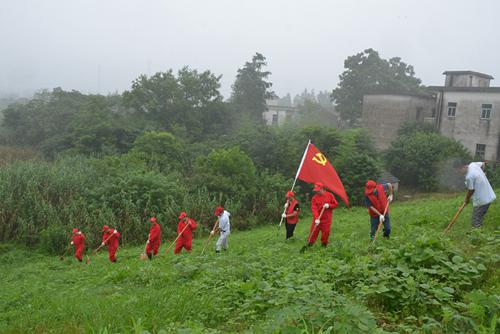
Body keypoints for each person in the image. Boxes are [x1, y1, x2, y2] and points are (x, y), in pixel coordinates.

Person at [453, 160, 496, 228]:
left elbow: (471, 190)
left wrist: (466, 200)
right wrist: (482, 173)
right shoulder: (473, 165)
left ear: (462, 167)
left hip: (481, 201)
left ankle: (477, 236)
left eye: (458, 171)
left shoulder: (469, 177)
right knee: (479, 218)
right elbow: (483, 164)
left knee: (475, 222)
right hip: (488, 196)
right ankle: (480, 232)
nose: (458, 173)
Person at [307, 182, 338, 247]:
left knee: (326, 233)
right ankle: (309, 244)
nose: (317, 192)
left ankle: (324, 245)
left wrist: (329, 205)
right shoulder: (314, 198)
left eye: (318, 190)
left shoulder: (330, 195)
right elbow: (314, 209)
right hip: (317, 219)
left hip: (327, 219)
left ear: (322, 189)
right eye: (316, 190)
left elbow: (336, 204)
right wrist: (316, 218)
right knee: (313, 232)